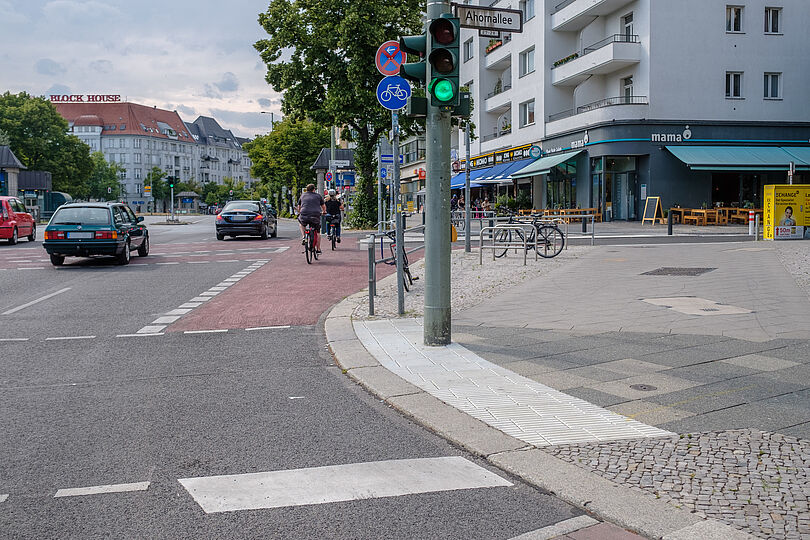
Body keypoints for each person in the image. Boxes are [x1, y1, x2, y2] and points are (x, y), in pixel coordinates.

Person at [297, 183, 326, 253]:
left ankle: (304, 236)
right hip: (315, 214)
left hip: (304, 214)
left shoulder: (302, 195)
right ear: (314, 190)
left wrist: (299, 212)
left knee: (301, 223)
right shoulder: (318, 196)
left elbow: (299, 207)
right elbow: (323, 206)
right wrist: (324, 212)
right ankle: (318, 249)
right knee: (318, 232)